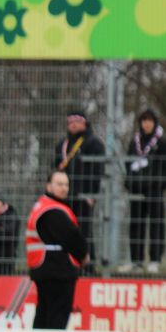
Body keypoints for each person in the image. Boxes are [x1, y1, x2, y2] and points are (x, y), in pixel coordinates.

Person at [26, 170, 88, 329]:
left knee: (44, 312)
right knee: (56, 317)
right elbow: (71, 236)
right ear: (49, 186)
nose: (64, 188)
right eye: (59, 184)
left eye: (66, 184)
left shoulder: (41, 206)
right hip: (58, 269)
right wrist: (83, 255)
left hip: (43, 268)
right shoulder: (53, 210)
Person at [121, 108, 166, 273]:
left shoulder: (163, 142)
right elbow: (128, 163)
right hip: (137, 189)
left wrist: (162, 184)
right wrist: (130, 183)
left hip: (155, 189)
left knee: (156, 224)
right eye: (144, 120)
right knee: (136, 224)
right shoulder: (134, 141)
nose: (147, 123)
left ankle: (155, 259)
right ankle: (136, 260)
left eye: (150, 120)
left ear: (154, 122)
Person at [53, 109, 104, 273]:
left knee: (84, 231)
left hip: (83, 196)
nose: (73, 124)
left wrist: (92, 193)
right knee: (64, 229)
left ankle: (88, 266)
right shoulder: (63, 143)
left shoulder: (93, 142)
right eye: (70, 122)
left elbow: (98, 170)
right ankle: (67, 264)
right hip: (64, 195)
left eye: (77, 121)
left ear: (84, 122)